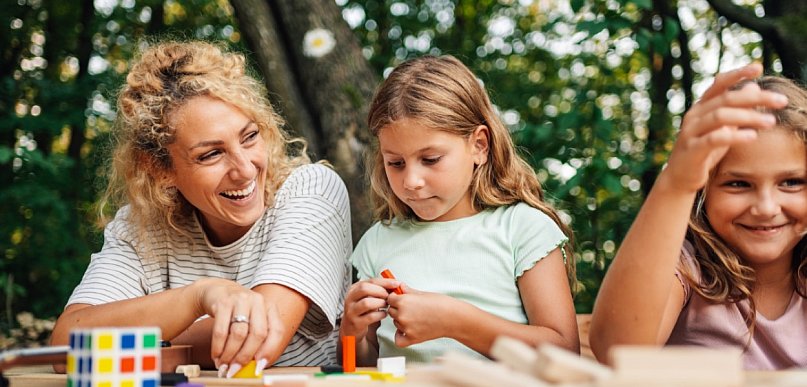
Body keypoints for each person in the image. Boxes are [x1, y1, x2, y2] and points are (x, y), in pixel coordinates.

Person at [50, 41, 353, 377]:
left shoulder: (312, 190)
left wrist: (132, 344)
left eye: (250, 136)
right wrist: (198, 297)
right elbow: (66, 349)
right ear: (160, 168)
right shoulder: (140, 227)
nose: (245, 170)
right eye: (211, 154)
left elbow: (258, 337)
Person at [340, 55, 580, 365]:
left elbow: (564, 352)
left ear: (479, 146)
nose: (411, 181)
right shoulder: (377, 241)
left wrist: (455, 322)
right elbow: (362, 366)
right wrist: (353, 335)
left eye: (430, 160)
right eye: (395, 163)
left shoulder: (524, 228)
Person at [590, 64, 807, 370]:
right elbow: (617, 349)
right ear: (704, 191)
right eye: (738, 184)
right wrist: (676, 183)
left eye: (792, 182)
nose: (766, 207)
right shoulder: (687, 268)